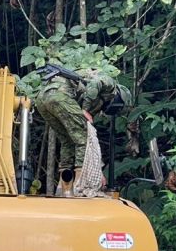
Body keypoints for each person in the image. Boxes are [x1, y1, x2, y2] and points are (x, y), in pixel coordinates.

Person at [32, 66, 130, 196]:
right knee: (84, 138)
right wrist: (85, 108)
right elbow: (96, 82)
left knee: (67, 140)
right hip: (60, 96)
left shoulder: (92, 97)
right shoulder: (110, 84)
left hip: (42, 98)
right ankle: (81, 185)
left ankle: (64, 186)